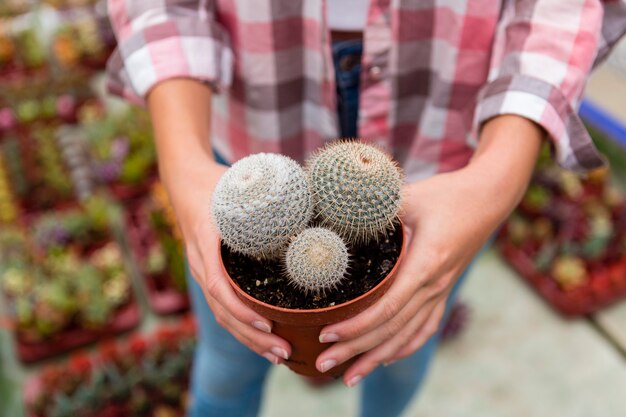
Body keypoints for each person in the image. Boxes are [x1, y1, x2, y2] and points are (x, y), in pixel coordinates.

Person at [106, 1, 626, 416]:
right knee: (226, 360)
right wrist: (184, 167)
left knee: (402, 351)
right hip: (250, 147)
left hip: (444, 150)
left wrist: (497, 178)